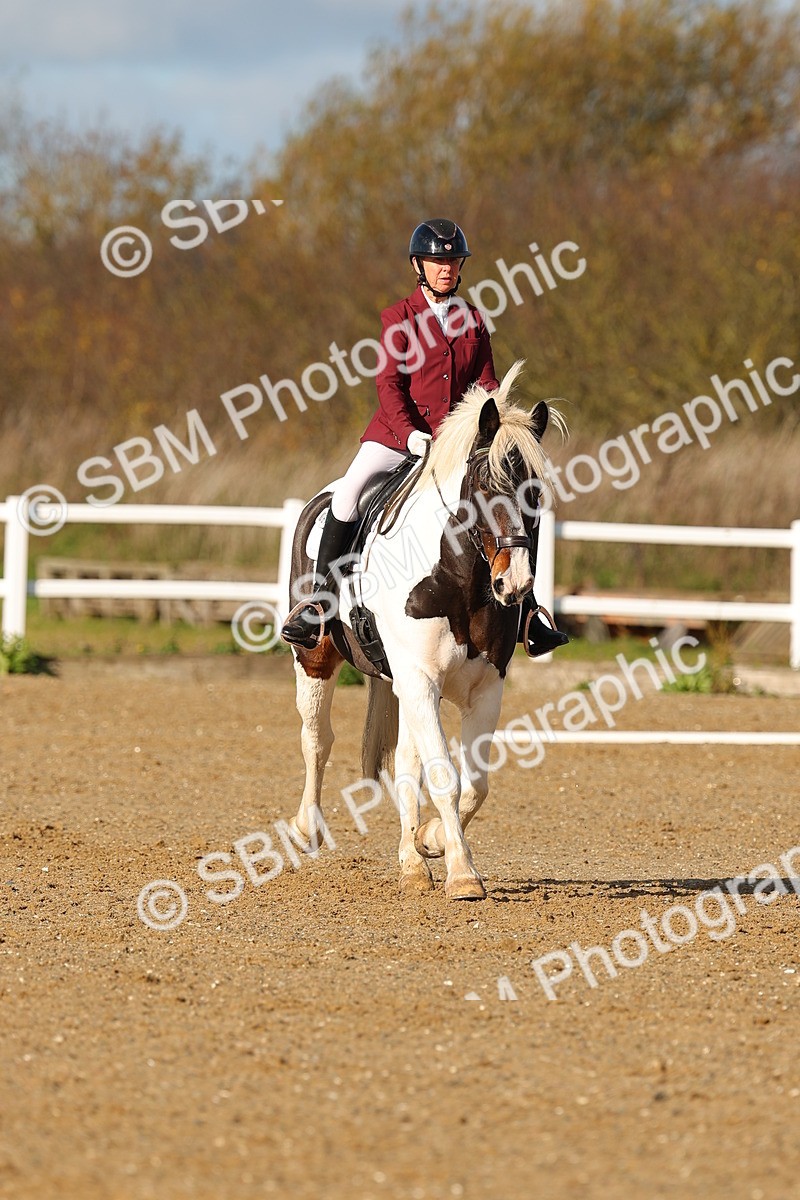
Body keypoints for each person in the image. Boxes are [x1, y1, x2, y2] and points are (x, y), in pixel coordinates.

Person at [281, 218, 568, 658]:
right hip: (396, 438)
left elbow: (487, 386)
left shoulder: (474, 321)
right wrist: (411, 434)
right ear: (419, 265)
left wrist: (502, 429)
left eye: (453, 260)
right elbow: (388, 386)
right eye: (438, 260)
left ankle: (527, 612)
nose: (446, 267)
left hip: (454, 446)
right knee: (348, 494)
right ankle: (318, 603)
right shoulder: (398, 318)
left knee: (516, 501)